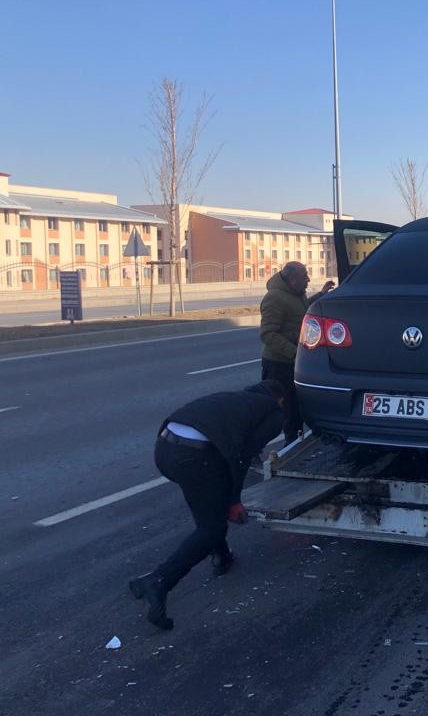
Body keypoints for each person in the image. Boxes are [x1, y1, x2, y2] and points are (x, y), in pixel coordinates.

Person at [128, 381, 286, 630]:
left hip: (164, 449)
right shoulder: (273, 412)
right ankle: (158, 581)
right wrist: (235, 500)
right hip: (195, 456)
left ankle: (221, 556)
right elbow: (242, 456)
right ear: (280, 400)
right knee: (211, 527)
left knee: (209, 505)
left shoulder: (233, 399)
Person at [260, 262, 334, 444]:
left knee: (295, 407)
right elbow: (267, 334)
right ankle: (282, 445)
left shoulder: (295, 294)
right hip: (279, 364)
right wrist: (295, 353)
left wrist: (321, 295)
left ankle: (294, 442)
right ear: (292, 279)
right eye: (304, 276)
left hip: (292, 362)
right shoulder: (275, 298)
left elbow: (299, 311)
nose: (308, 279)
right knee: (282, 409)